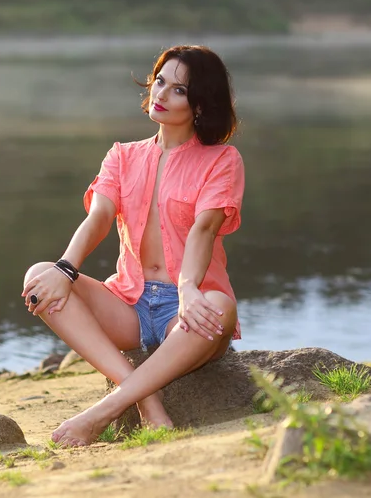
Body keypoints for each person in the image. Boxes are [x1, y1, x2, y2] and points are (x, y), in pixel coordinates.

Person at [22, 45, 245, 447]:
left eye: (179, 89)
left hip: (187, 307)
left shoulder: (222, 160)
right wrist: (64, 269)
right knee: (39, 276)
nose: (160, 94)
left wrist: (189, 288)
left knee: (219, 308)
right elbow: (99, 218)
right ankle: (148, 406)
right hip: (129, 306)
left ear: (199, 105)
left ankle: (102, 413)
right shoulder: (122, 156)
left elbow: (204, 229)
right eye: (160, 80)